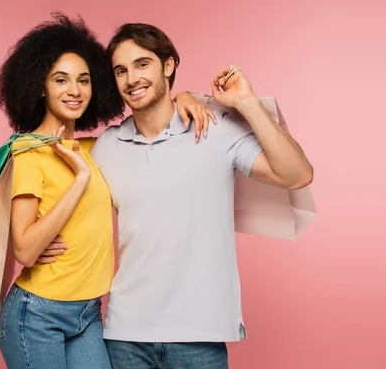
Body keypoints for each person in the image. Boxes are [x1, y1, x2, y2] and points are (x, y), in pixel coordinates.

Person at [80, 23, 313, 369]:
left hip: (199, 338)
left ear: (168, 65)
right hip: (124, 336)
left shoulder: (216, 130)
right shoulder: (106, 147)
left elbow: (298, 175)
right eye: (121, 71)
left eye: (142, 64)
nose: (131, 79)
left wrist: (246, 103)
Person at [0, 14, 214, 369]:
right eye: (60, 80)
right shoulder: (28, 152)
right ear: (40, 86)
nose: (75, 90)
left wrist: (185, 95)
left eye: (84, 80)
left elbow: (149, 121)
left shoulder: (95, 147)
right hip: (36, 316)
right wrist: (79, 180)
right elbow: (25, 249)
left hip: (88, 314)